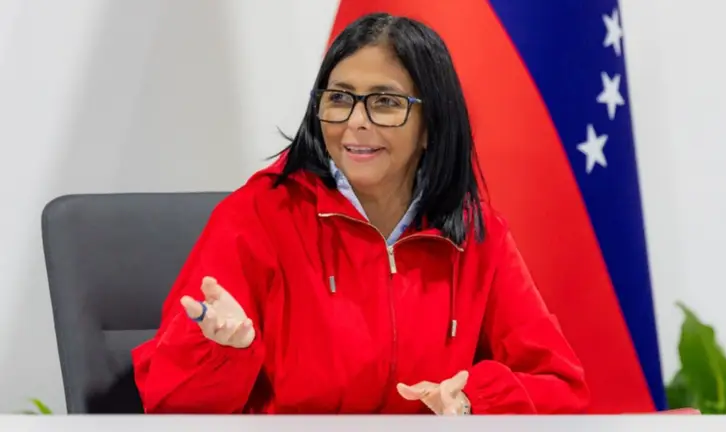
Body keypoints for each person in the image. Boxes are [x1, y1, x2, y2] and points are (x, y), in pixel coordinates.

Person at [132, 12, 590, 415]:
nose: (355, 121)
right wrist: (220, 351)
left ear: (431, 125)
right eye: (339, 98)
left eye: (385, 102)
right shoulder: (255, 215)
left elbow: (559, 385)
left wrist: (473, 403)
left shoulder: (474, 233)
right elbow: (166, 404)